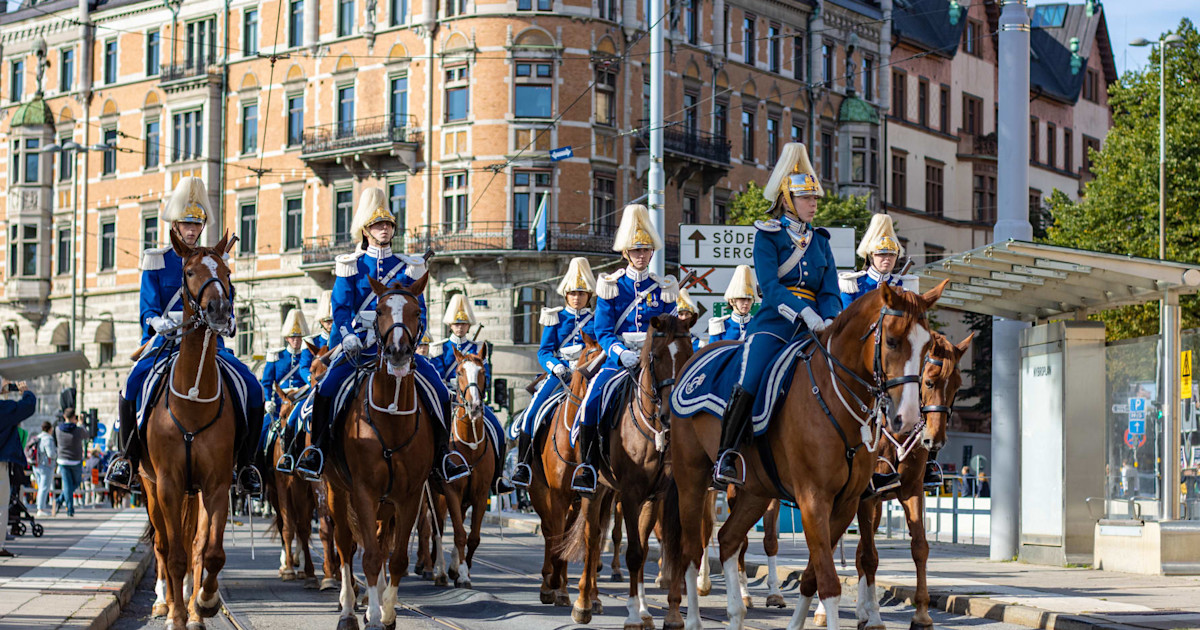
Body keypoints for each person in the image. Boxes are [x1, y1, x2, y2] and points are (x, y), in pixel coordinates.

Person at [294, 188, 468, 482]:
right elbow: (341, 307)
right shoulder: (352, 265)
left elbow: (420, 314)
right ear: (366, 230)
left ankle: (442, 455)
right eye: (378, 225)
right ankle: (318, 451)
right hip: (357, 347)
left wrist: (410, 340)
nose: (384, 229)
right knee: (327, 390)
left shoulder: (408, 266)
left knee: (438, 389)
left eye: (388, 225)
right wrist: (348, 335)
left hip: (398, 348)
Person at [105, 177, 265, 496]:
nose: (192, 230)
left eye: (197, 223)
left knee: (252, 387)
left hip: (208, 345)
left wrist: (229, 321)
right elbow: (147, 308)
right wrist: (157, 322)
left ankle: (247, 464)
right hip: (165, 344)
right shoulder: (157, 260)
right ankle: (128, 457)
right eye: (186, 224)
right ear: (175, 225)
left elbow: (226, 301)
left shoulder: (214, 261)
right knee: (131, 386)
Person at [714, 143, 842, 486]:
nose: (814, 205)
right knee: (751, 376)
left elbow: (829, 290)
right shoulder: (767, 235)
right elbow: (770, 288)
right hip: (774, 324)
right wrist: (804, 313)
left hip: (815, 329)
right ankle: (726, 454)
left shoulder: (821, 241)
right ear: (788, 200)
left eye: (815, 199)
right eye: (807, 199)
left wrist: (830, 319)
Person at [573, 205, 678, 495]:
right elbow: (603, 332)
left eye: (645, 250)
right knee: (592, 401)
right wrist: (620, 352)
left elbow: (669, 331)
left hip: (655, 359)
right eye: (636, 250)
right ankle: (589, 466)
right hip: (620, 359)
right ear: (626, 253)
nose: (641, 255)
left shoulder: (664, 288)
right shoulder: (611, 285)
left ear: (652, 253)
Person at [838, 213, 932, 492]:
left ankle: (928, 461)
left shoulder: (906, 287)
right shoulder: (853, 284)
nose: (886, 259)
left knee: (929, 394)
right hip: (860, 362)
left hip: (896, 360)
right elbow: (845, 325)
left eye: (891, 255)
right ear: (870, 255)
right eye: (881, 254)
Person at [509, 257, 597, 488]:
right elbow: (544, 351)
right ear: (565, 295)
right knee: (532, 412)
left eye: (581, 293)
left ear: (588, 295)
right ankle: (523, 466)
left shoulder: (595, 320)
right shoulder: (556, 318)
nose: (577, 297)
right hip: (561, 375)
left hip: (588, 374)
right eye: (572, 293)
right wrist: (555, 366)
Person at [263, 309, 314, 473]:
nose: (296, 341)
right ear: (287, 338)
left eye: (299, 337)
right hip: (279, 405)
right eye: (293, 337)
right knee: (261, 432)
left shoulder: (307, 357)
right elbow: (267, 381)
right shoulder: (277, 356)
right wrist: (268, 400)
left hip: (301, 400)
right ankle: (256, 470)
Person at [430, 294, 493, 393]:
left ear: (468, 326)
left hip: (471, 395)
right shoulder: (441, 348)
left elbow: (486, 376)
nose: (460, 327)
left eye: (463, 324)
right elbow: (437, 377)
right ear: (451, 325)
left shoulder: (476, 348)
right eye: (456, 324)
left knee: (487, 409)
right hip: (447, 395)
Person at [0, 380, 35, 556]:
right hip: (1, 462)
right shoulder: (4, 409)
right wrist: (25, 391)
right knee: (1, 505)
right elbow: (28, 406)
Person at [54, 408, 89, 517]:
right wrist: (82, 424)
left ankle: (59, 501)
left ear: (64, 416)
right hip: (75, 460)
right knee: (76, 483)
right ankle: (70, 509)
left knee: (68, 485)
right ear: (74, 417)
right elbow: (87, 435)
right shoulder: (78, 430)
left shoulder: (57, 429)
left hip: (62, 460)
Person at [708, 265, 757, 343]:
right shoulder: (720, 326)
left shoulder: (757, 324)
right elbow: (714, 353)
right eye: (742, 299)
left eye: (749, 299)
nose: (746, 303)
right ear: (731, 301)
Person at [29, 421, 56, 516]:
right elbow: (51, 454)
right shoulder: (48, 438)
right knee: (44, 487)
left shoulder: (38, 437)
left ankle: (40, 506)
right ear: (50, 429)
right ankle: (41, 508)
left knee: (40, 487)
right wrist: (56, 454)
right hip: (46, 466)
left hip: (36, 465)